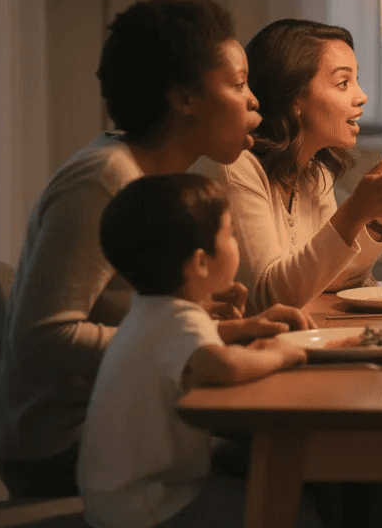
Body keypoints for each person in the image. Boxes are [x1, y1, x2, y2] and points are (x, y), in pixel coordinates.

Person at [0, 0, 263, 498]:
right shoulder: (106, 178)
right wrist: (196, 343)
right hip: (73, 448)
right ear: (184, 98)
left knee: (328, 470)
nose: (253, 101)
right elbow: (42, 340)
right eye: (239, 83)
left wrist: (218, 325)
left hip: (127, 420)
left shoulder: (156, 180)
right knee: (300, 483)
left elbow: (132, 317)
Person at [80, 173, 324, 528]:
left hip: (119, 498)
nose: (236, 244)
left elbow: (193, 346)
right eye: (231, 236)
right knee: (294, 515)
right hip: (154, 506)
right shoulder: (180, 319)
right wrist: (282, 354)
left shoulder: (149, 309)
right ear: (200, 262)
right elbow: (223, 366)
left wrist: (249, 328)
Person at [198, 18, 382, 313]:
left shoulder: (316, 173)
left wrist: (378, 220)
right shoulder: (238, 167)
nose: (361, 96)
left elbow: (335, 280)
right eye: (343, 83)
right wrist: (353, 211)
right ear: (294, 97)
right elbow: (271, 297)